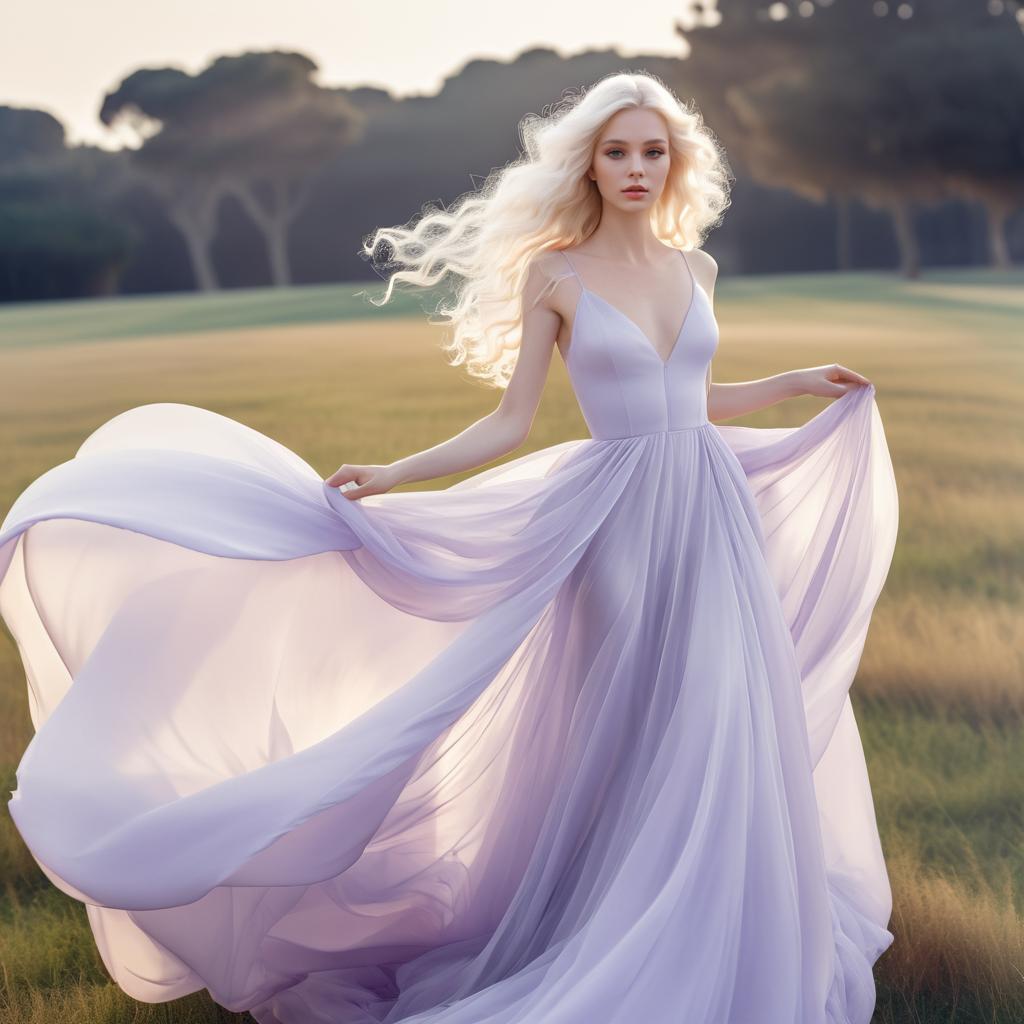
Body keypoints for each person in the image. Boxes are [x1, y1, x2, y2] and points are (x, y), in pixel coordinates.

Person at [0, 71, 897, 1024]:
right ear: (588, 164)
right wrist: (395, 474)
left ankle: (727, 915)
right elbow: (511, 423)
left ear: (675, 164)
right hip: (618, 522)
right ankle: (616, 924)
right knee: (642, 718)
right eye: (617, 150)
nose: (636, 168)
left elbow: (697, 400)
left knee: (722, 708)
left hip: (711, 511)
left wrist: (796, 381)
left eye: (653, 151)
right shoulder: (557, 273)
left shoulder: (695, 270)